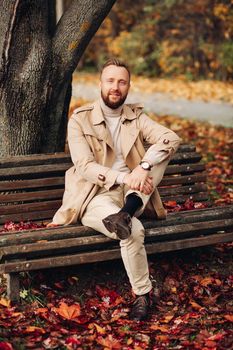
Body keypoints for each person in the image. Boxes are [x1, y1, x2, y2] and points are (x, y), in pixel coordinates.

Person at [50, 58, 181, 321]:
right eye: (110, 81)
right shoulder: (80, 120)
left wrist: (143, 167)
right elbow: (85, 166)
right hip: (96, 197)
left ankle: (126, 212)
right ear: (100, 84)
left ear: (129, 86)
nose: (115, 87)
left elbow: (171, 138)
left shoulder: (136, 117)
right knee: (132, 229)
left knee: (161, 152)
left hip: (135, 191)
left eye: (122, 82)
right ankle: (143, 294)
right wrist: (125, 178)